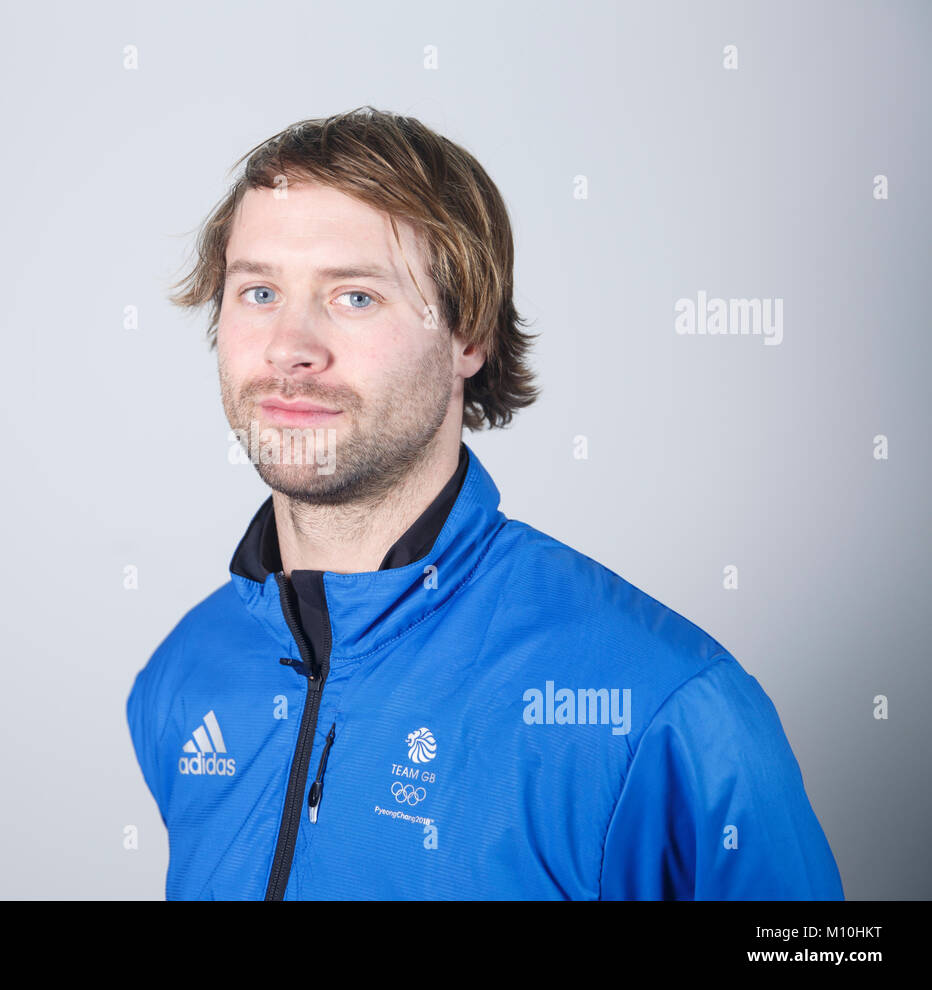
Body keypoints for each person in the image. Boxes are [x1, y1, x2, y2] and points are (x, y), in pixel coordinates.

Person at [125, 106, 844, 900]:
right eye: (258, 291)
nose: (292, 345)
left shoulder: (663, 708)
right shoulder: (183, 674)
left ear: (469, 335)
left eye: (355, 297)